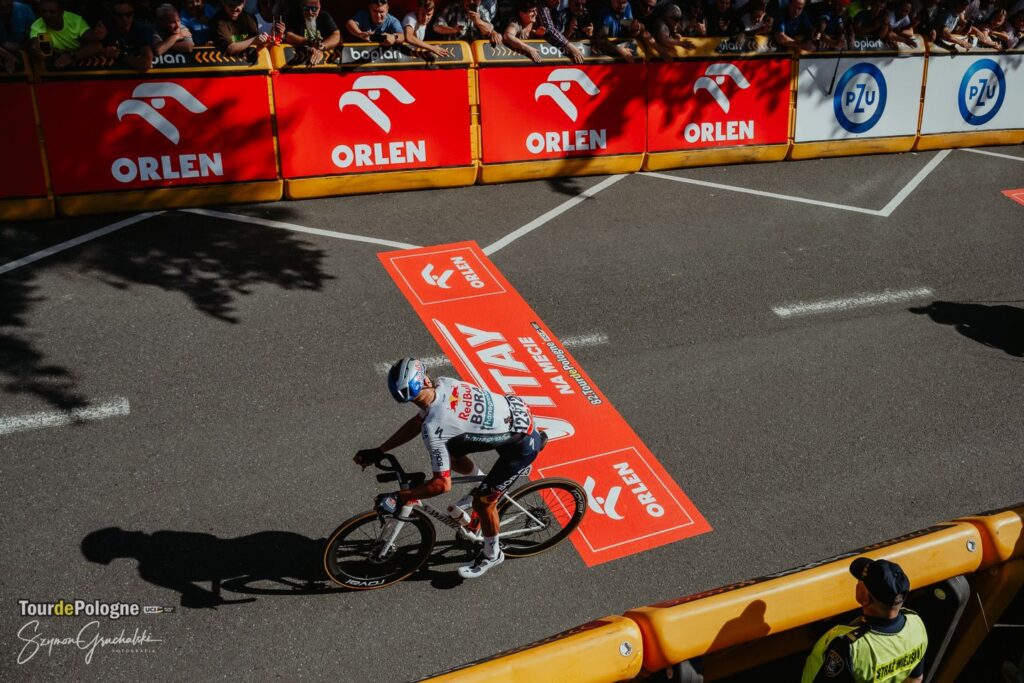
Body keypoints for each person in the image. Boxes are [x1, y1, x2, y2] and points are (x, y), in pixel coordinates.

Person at [354, 358, 548, 579]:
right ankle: (480, 480)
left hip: (521, 446)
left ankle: (492, 554)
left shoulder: (435, 429)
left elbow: (442, 485)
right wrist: (381, 449)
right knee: (452, 452)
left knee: (483, 503)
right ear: (426, 379)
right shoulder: (444, 383)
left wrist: (399, 496)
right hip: (516, 414)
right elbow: (418, 422)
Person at [802, 558, 928, 683]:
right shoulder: (916, 624)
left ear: (864, 597)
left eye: (859, 582)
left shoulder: (850, 648)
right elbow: (915, 679)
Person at [29, 0, 100, 68]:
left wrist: (72, 56)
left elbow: (96, 45)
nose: (48, 16)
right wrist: (38, 51)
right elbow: (44, 52)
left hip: (78, 58)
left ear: (62, 12)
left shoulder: (75, 21)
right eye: (44, 12)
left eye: (52, 12)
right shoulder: (38, 26)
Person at [284, 0, 340, 64]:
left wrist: (322, 47)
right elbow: (289, 36)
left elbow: (336, 34)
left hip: (322, 59)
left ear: (319, 8)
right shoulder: (294, 16)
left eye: (314, 9)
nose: (310, 12)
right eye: (306, 9)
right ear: (301, 7)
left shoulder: (324, 16)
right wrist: (309, 42)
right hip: (298, 59)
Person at [433, 0, 501, 45]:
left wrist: (478, 21)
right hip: (456, 51)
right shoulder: (452, 8)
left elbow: (489, 30)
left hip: (477, 54)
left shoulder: (482, 11)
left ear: (479, 1)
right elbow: (437, 27)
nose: (471, 2)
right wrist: (453, 30)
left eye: (475, 0)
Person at [0, 0, 35, 72]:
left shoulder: (25, 10)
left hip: (22, 48)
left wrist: (21, 47)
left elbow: (33, 36)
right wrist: (6, 54)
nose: (3, 4)